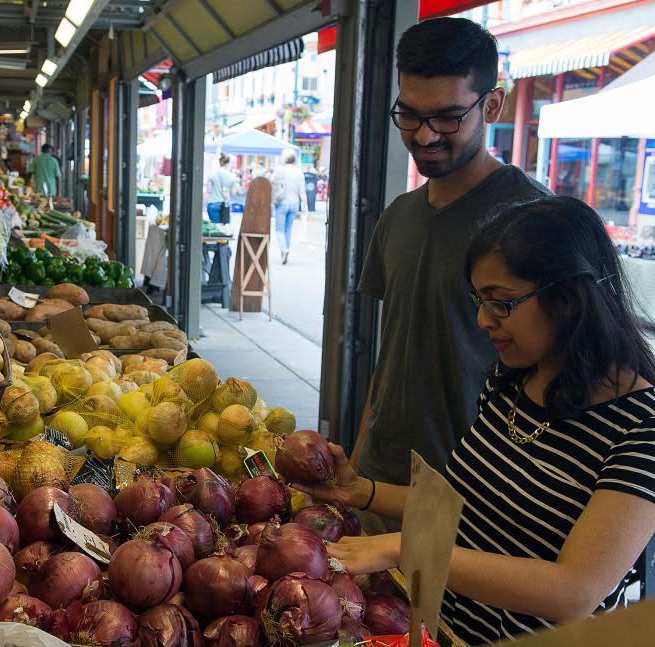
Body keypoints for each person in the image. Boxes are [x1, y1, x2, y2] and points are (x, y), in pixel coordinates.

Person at [296, 196, 655, 645]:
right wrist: (361, 491)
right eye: (480, 301)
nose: (484, 321)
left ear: (567, 298)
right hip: (444, 631)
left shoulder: (642, 428)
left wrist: (403, 548)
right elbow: (464, 506)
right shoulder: (511, 382)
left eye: (501, 303)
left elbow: (575, 591)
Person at [350, 17, 551, 533]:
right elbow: (393, 352)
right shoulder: (397, 217)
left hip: (477, 503)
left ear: (492, 105)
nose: (423, 135)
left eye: (446, 117)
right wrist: (357, 465)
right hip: (378, 484)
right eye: (409, 115)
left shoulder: (538, 223)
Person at [270, 148, 307, 264]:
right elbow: (302, 191)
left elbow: (271, 183)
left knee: (279, 229)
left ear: (284, 158)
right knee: (288, 229)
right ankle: (284, 253)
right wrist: (305, 207)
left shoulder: (279, 170)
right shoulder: (299, 172)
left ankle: (284, 250)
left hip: (282, 203)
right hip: (295, 203)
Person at [205, 154, 237, 224]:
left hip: (212, 205)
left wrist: (201, 206)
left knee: (215, 230)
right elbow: (233, 193)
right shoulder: (231, 177)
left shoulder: (212, 175)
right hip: (225, 206)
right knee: (224, 231)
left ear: (220, 163)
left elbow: (208, 192)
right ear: (228, 164)